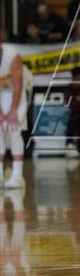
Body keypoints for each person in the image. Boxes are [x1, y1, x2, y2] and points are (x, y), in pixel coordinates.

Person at [0, 41, 27, 188]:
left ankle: (17, 176)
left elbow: (18, 83)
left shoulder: (12, 55)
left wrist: (12, 110)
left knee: (13, 129)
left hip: (17, 95)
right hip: (1, 94)